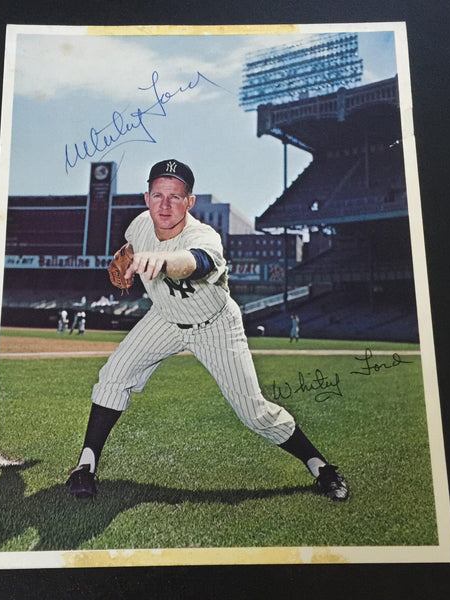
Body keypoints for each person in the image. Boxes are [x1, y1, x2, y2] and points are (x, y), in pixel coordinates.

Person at [66, 159, 348, 501]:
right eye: (158, 195)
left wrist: (164, 261)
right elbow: (129, 248)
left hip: (215, 325)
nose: (165, 205)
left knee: (254, 413)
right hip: (165, 318)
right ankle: (85, 466)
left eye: (175, 196)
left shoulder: (203, 236)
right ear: (147, 198)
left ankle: (320, 466)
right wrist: (124, 258)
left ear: (190, 202)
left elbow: (194, 262)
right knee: (113, 375)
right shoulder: (139, 225)